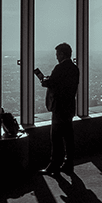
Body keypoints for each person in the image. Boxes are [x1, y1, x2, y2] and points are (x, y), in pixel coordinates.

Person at [35, 42, 79, 175]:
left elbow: (51, 83)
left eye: (57, 54)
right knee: (68, 137)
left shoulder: (60, 68)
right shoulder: (74, 68)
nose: (56, 57)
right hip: (69, 107)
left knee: (56, 137)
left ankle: (54, 165)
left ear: (62, 54)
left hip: (59, 107)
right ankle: (68, 163)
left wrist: (44, 80)